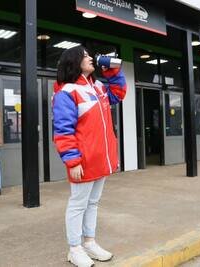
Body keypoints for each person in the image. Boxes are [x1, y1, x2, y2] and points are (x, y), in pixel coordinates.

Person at [53, 46, 126, 267]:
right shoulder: (67, 91)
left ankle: (89, 242)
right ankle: (74, 249)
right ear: (74, 62)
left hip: (100, 159)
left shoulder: (99, 87)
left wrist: (112, 71)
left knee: (93, 203)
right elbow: (63, 130)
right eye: (85, 56)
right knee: (78, 205)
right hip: (82, 161)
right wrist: (72, 160)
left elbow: (119, 94)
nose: (90, 58)